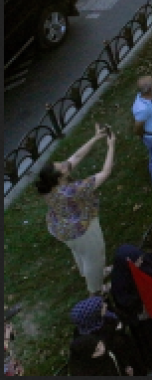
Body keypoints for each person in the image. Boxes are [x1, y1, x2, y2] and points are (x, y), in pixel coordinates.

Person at [36, 124, 115, 294]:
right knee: (95, 257)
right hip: (82, 229)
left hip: (62, 227)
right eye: (62, 167)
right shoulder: (73, 190)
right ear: (60, 178)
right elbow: (106, 172)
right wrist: (111, 146)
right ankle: (97, 288)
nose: (66, 164)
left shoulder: (48, 186)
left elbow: (76, 157)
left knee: (81, 253)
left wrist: (96, 137)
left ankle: (85, 271)